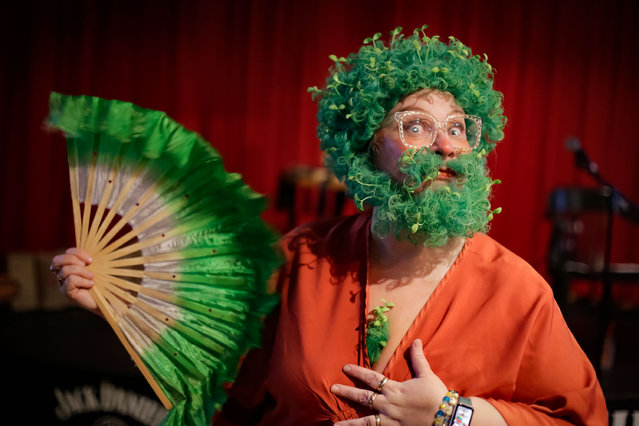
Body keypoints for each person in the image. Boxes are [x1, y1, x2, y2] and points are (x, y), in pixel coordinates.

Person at [51, 26, 608, 425]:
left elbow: (580, 419)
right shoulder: (302, 259)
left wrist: (451, 415)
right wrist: (122, 301)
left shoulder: (516, 291)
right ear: (366, 149)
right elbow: (223, 386)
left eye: (461, 127)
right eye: (416, 126)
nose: (446, 145)